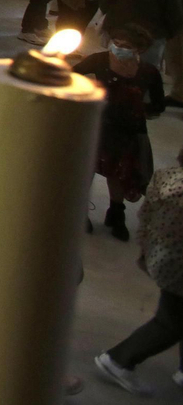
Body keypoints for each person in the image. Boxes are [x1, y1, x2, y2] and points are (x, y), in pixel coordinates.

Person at [95, 145, 183, 395]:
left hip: (163, 258)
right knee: (171, 323)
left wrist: (145, 250)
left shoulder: (166, 176)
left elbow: (146, 215)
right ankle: (119, 360)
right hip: (179, 268)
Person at [77, 23, 166, 242]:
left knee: (119, 173)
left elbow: (158, 104)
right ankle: (79, 213)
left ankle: (116, 214)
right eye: (116, 43)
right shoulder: (99, 60)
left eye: (125, 46)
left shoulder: (148, 72)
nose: (118, 48)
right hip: (97, 124)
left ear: (139, 49)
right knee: (86, 170)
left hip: (128, 131)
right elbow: (71, 75)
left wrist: (139, 109)